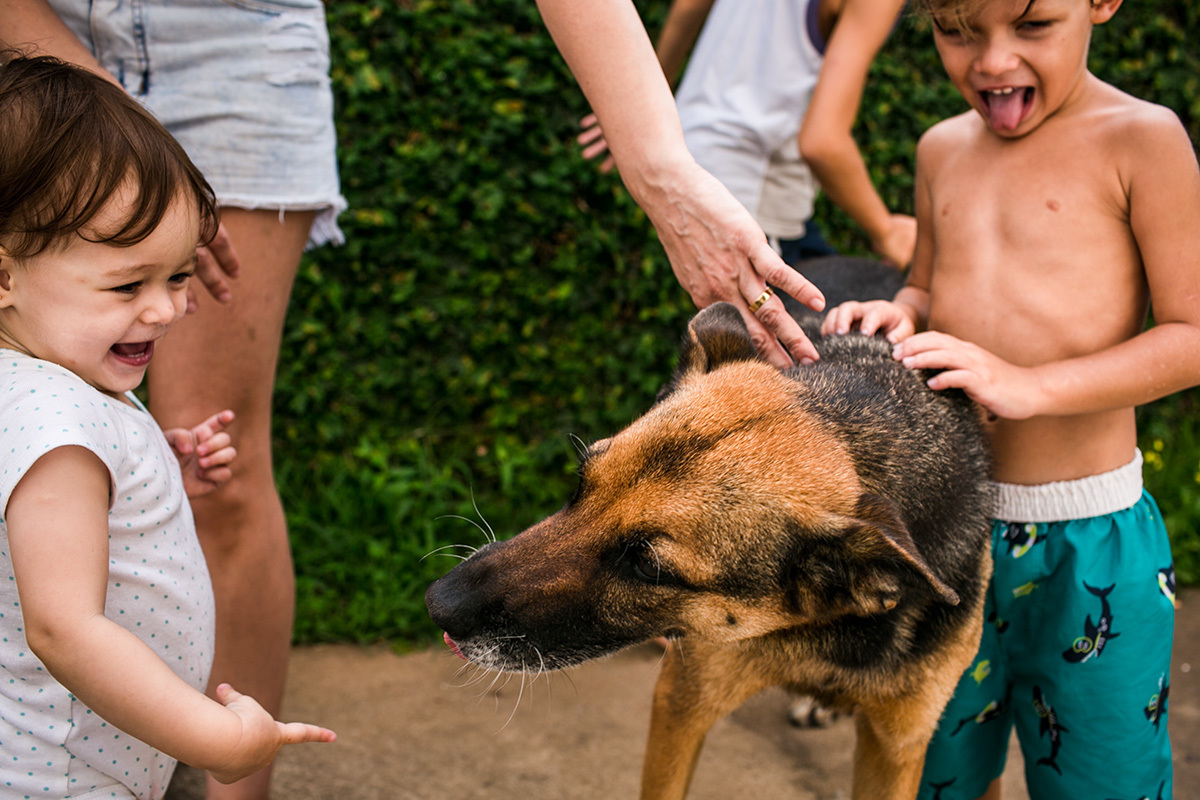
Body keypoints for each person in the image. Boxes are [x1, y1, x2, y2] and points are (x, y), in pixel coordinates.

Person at [820, 0, 1200, 796]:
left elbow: (1192, 334)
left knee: (1107, 782)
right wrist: (905, 310)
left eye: (1032, 26)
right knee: (935, 777)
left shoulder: (1143, 138)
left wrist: (1029, 386)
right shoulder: (940, 148)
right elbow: (929, 278)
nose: (990, 62)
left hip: (1091, 542)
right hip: (945, 536)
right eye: (956, 30)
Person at [0, 2, 346, 796]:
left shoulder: (54, 382)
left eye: (179, 276)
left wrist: (155, 479)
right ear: (4, 276)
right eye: (128, 284)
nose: (165, 311)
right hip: (63, 775)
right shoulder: (57, 424)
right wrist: (215, 740)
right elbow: (65, 627)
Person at [578, 0, 917, 270]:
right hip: (750, 188)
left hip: (697, 150)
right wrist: (885, 230)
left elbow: (690, 5)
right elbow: (822, 141)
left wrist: (647, 99)